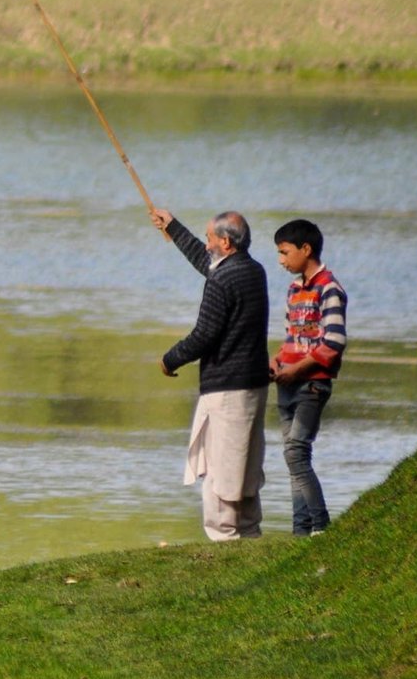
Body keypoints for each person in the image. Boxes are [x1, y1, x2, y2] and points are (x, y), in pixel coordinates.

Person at [149, 208, 272, 541]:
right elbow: (208, 264)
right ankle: (248, 533)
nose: (205, 244)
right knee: (245, 464)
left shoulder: (223, 279)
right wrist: (173, 228)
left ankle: (224, 538)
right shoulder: (253, 271)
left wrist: (170, 360)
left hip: (228, 388)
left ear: (226, 243)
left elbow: (204, 334)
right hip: (255, 384)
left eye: (209, 239)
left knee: (221, 470)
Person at [270, 219, 348, 536]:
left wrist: (296, 370)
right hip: (287, 385)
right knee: (294, 457)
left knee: (295, 452)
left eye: (284, 252)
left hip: (311, 385)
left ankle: (321, 525)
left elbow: (333, 343)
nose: (280, 260)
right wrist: (276, 363)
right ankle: (300, 532)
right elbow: (293, 339)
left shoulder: (329, 288)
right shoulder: (294, 289)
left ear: (306, 249)